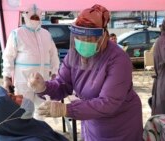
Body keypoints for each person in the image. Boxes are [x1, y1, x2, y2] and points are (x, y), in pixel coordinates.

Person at [28, 4, 143, 141]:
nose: (81, 43)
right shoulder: (74, 55)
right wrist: (44, 87)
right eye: (78, 38)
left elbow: (108, 102)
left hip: (121, 125)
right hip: (91, 119)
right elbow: (63, 84)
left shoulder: (118, 59)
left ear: (102, 37)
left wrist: (66, 109)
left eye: (88, 39)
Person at [2, 4, 60, 118]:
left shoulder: (46, 34)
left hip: (43, 81)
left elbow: (53, 54)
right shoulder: (17, 33)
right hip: (23, 81)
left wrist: (54, 73)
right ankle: (25, 134)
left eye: (36, 17)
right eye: (32, 17)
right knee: (24, 112)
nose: (34, 20)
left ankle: (38, 133)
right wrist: (6, 78)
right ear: (25, 17)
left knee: (42, 111)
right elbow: (8, 56)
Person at [0, 86, 68, 141]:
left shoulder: (24, 128)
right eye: (14, 98)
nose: (21, 96)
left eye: (13, 94)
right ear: (8, 114)